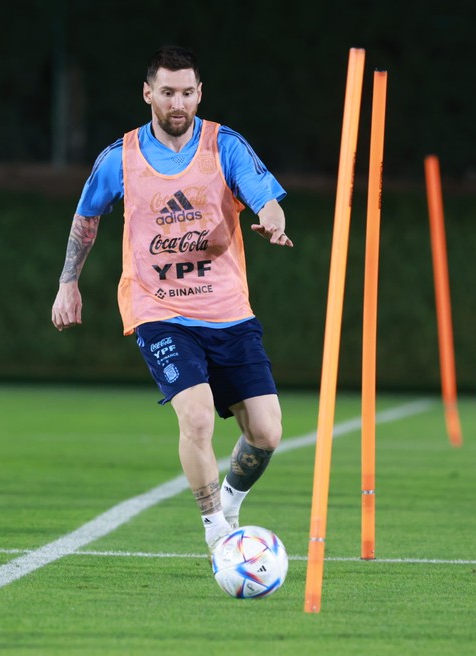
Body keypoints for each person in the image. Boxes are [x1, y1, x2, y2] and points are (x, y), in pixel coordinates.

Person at [51, 46, 293, 550]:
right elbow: (87, 216)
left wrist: (272, 220)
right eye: (167, 92)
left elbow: (264, 197)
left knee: (267, 432)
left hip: (228, 310)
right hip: (159, 309)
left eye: (186, 93)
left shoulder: (224, 144)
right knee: (197, 416)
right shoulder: (120, 156)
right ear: (148, 94)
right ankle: (216, 532)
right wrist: (67, 282)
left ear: (200, 93)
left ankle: (230, 502)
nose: (177, 103)